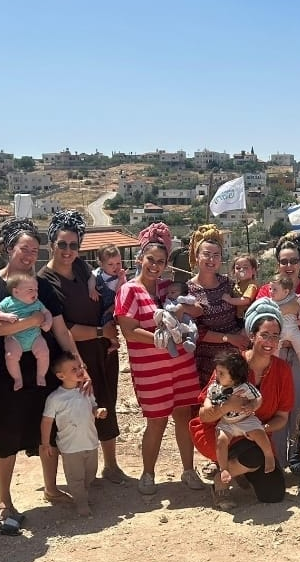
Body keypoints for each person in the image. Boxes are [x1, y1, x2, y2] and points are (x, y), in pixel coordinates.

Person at [0, 217, 84, 531]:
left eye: (35, 250)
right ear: (8, 248)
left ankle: (50, 488)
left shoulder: (43, 286)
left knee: (46, 430)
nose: (30, 255)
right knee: (6, 435)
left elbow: (61, 330)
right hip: (5, 372)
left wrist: (79, 364)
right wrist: (33, 320)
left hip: (42, 369)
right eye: (24, 248)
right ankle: (4, 498)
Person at [37, 210, 125, 486]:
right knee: (74, 415)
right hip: (73, 356)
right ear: (52, 243)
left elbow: (96, 289)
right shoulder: (44, 280)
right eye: (62, 244)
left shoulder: (81, 267)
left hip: (102, 350)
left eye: (73, 245)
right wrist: (102, 331)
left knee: (106, 402)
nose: (68, 250)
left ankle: (110, 465)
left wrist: (108, 333)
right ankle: (74, 477)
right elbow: (65, 328)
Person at [115, 222, 203, 494]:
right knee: (156, 421)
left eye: (160, 261)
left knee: (183, 416)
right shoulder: (129, 290)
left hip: (181, 366)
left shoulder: (168, 287)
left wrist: (183, 309)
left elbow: (197, 310)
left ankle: (188, 470)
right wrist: (157, 338)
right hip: (150, 370)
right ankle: (148, 474)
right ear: (141, 258)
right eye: (150, 260)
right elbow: (128, 330)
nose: (155, 265)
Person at [191, 298, 294, 506]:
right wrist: (227, 406)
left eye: (275, 336)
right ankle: (221, 481)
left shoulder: (282, 369)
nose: (270, 342)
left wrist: (261, 430)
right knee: (255, 456)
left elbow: (282, 417)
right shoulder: (232, 363)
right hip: (222, 432)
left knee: (274, 494)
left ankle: (237, 469)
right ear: (252, 335)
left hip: (255, 434)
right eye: (264, 335)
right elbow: (204, 414)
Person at [255, 233, 300, 463]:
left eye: (293, 261)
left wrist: (291, 341)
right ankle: (276, 463)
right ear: (278, 264)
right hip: (272, 360)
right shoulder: (266, 291)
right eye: (284, 261)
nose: (289, 266)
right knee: (273, 410)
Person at [41, 351, 108, 517]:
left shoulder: (86, 390)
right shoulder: (55, 398)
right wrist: (45, 443)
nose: (79, 371)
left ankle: (82, 494)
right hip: (70, 446)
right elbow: (47, 421)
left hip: (90, 441)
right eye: (73, 369)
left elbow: (92, 407)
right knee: (75, 477)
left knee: (90, 473)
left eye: (80, 367)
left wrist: (98, 411)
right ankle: (81, 502)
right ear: (60, 375)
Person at [186, 224, 249, 388]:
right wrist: (229, 338)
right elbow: (195, 330)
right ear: (197, 256)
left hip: (235, 357)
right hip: (207, 360)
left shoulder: (228, 284)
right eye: (206, 254)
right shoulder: (188, 290)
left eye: (216, 255)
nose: (211, 259)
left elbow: (242, 312)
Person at [205, 350, 273, 486]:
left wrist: (253, 406)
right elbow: (208, 399)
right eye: (217, 372)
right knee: (221, 441)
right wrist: (209, 407)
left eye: (221, 373)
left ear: (234, 376)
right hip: (227, 422)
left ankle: (268, 455)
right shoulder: (215, 388)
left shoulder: (245, 387)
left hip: (245, 419)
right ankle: (224, 469)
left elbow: (258, 398)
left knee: (259, 433)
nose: (217, 375)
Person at [0, 274, 52, 391]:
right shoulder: (8, 301)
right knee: (10, 356)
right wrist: (5, 316)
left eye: (36, 289)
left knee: (44, 352)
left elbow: (47, 313)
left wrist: (48, 323)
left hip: (35, 337)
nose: (35, 292)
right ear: (16, 291)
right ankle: (17, 378)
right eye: (30, 290)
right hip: (14, 337)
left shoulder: (37, 303)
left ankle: (41, 375)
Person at [269, 275, 300, 376]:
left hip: (293, 328)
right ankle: (274, 368)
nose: (271, 291)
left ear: (286, 291)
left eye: (275, 289)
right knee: (275, 349)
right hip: (279, 331)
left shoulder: (294, 298)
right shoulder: (270, 302)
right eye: (270, 288)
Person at [92, 244, 126, 333]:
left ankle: (114, 341)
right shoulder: (98, 273)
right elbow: (90, 279)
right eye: (110, 264)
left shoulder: (120, 277)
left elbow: (119, 293)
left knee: (107, 321)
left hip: (112, 305)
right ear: (101, 264)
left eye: (118, 263)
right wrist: (92, 288)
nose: (115, 267)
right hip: (98, 304)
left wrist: (121, 280)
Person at [227, 254, 259, 320]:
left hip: (247, 317)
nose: (241, 270)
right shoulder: (237, 284)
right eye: (238, 268)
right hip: (238, 317)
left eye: (245, 267)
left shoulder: (252, 285)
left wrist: (229, 300)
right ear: (234, 271)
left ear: (253, 270)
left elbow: (246, 300)